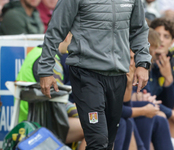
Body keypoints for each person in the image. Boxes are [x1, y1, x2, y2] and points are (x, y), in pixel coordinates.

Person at [38, 0, 152, 149]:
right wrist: (46, 69)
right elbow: (55, 30)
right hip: (85, 73)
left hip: (117, 75)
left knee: (108, 143)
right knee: (97, 140)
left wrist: (143, 62)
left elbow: (139, 29)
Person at [16, 40, 86, 149]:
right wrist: (83, 112)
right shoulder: (51, 61)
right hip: (42, 121)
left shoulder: (36, 52)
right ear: (67, 35)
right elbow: (59, 100)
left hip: (29, 119)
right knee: (97, 128)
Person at [114, 50, 174, 150]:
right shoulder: (111, 75)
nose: (132, 63)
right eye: (129, 58)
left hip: (122, 114)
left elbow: (168, 103)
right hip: (96, 116)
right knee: (126, 121)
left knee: (159, 119)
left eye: (134, 58)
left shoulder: (147, 68)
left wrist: (168, 78)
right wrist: (144, 109)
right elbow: (114, 110)